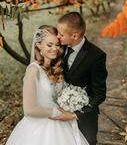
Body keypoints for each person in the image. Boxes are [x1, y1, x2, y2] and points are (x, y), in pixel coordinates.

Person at [5, 25, 89, 145]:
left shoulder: (57, 68)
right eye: (49, 45)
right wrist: (58, 114)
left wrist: (72, 104)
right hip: (39, 127)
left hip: (62, 124)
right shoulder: (33, 70)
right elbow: (29, 109)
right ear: (39, 45)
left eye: (57, 45)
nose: (54, 49)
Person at [51, 12, 108, 145]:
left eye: (61, 34)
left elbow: (99, 94)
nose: (57, 37)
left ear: (75, 35)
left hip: (84, 115)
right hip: (59, 110)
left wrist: (75, 114)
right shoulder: (58, 48)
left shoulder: (96, 56)